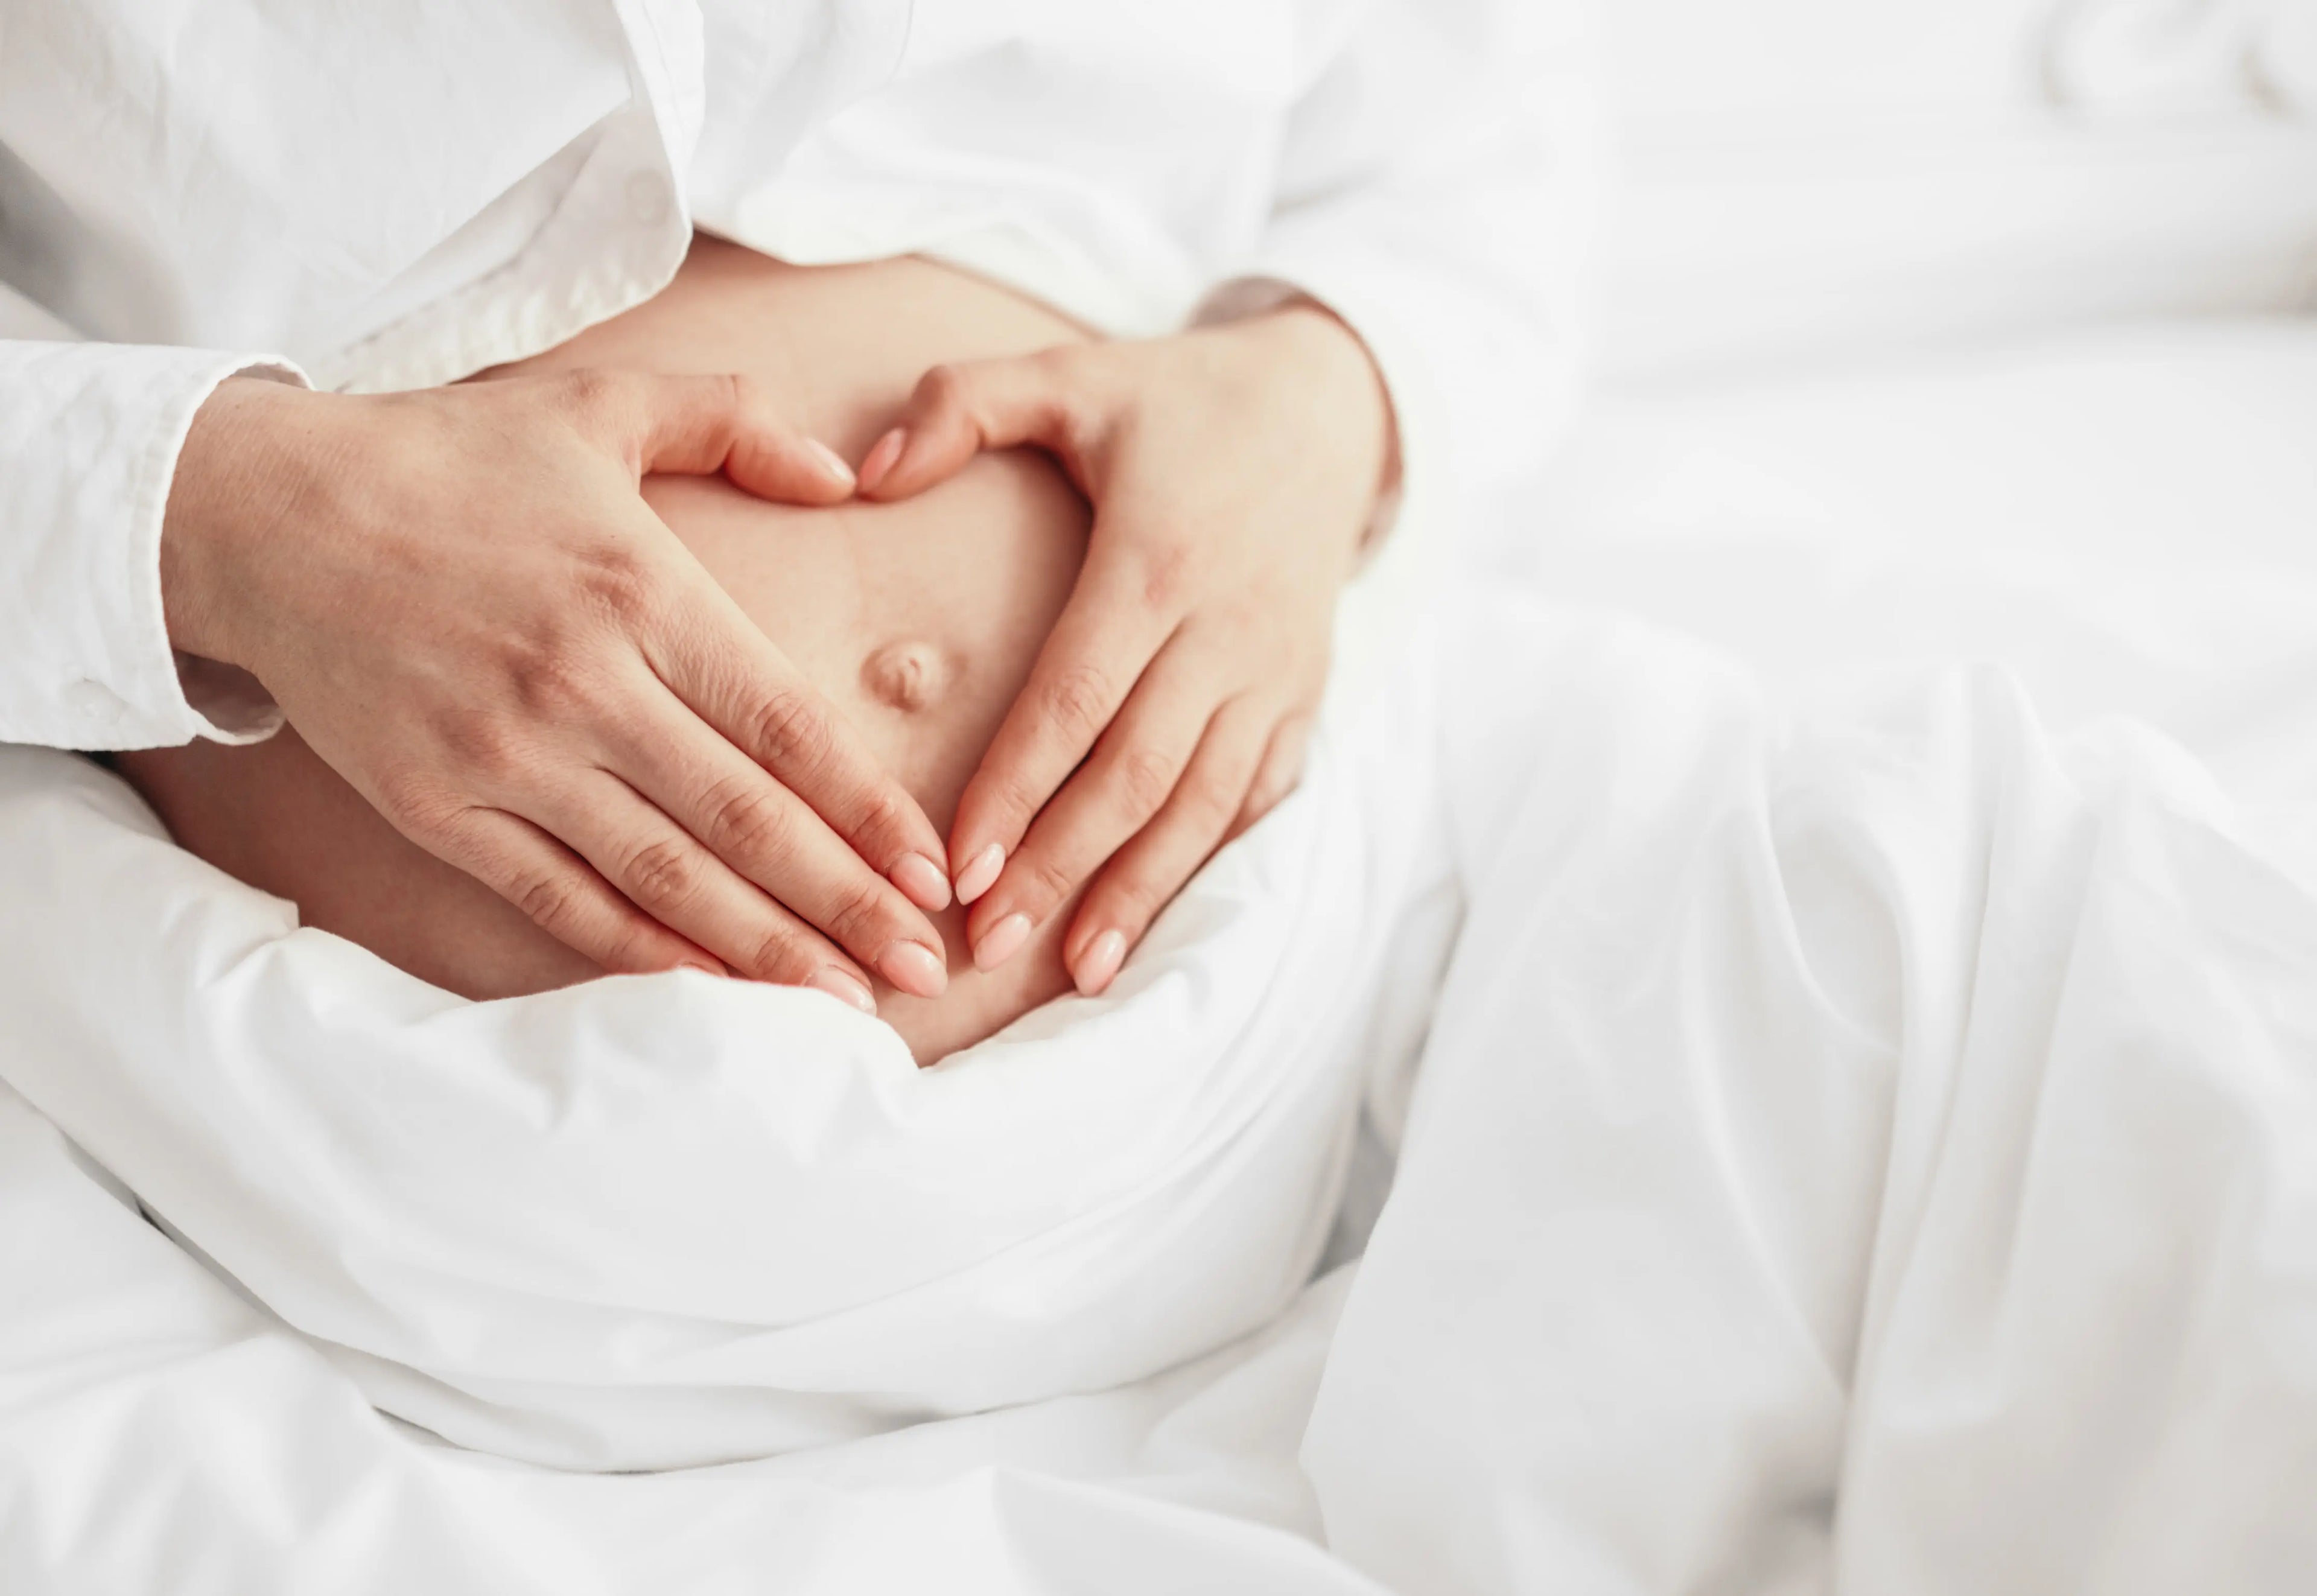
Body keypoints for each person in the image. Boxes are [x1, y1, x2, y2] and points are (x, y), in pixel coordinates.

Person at [0, 2, 1593, 1037]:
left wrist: (1338, 383)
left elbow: (1476, 123)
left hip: (1298, 1003)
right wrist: (211, 517)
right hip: (315, 1172)